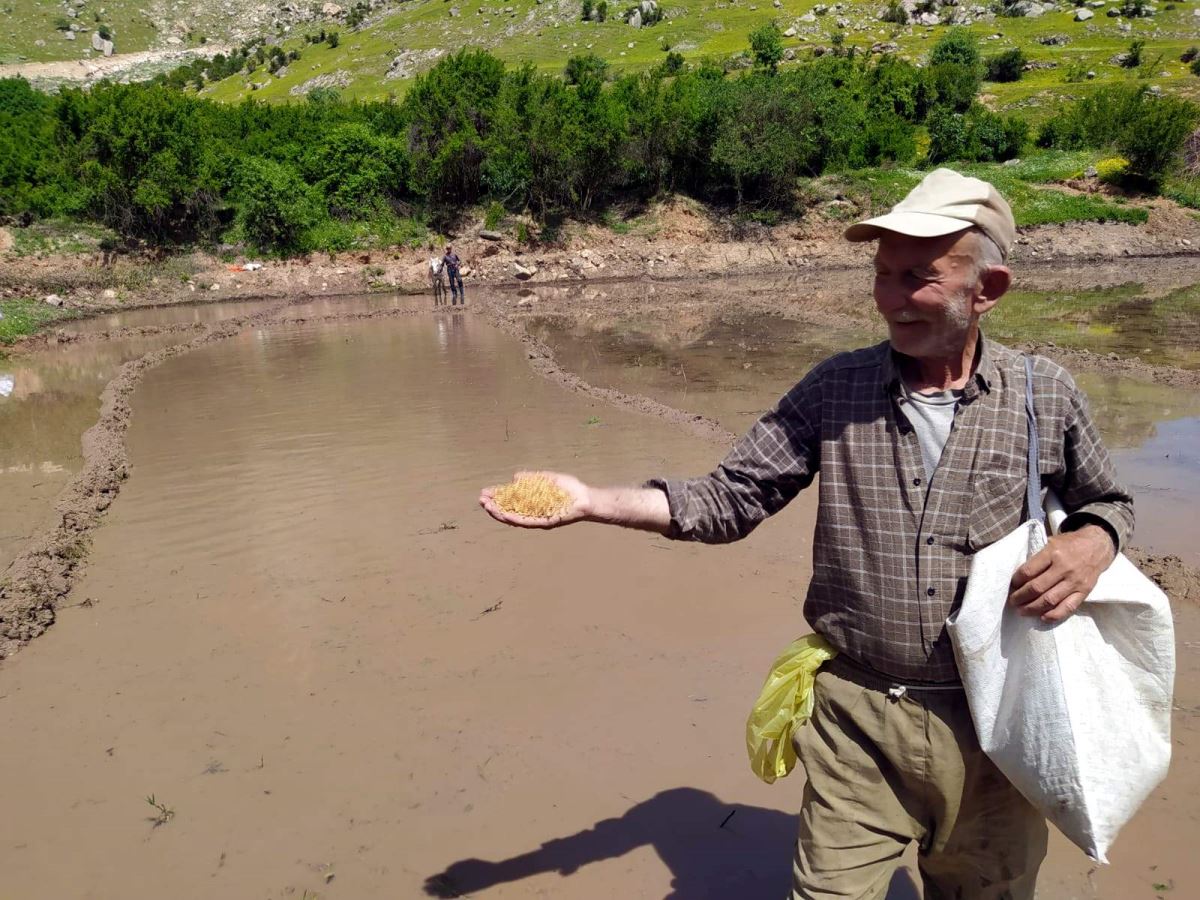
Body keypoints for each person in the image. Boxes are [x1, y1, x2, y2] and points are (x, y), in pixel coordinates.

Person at [479, 168, 1134, 899]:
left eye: (917, 276)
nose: (889, 298)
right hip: (858, 719)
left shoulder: (1046, 393)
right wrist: (593, 500)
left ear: (988, 289)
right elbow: (731, 499)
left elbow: (1108, 502)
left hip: (1001, 722)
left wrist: (1092, 543)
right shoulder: (836, 387)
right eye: (881, 274)